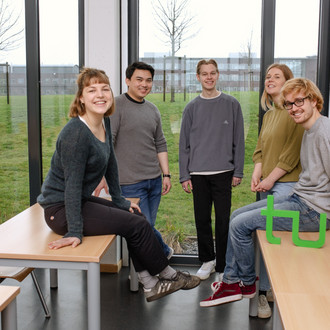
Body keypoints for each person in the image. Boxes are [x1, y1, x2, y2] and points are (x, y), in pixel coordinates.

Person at [37, 67, 200, 303]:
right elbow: (72, 186)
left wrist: (120, 199)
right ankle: (167, 276)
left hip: (76, 201)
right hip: (59, 210)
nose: (100, 94)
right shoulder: (75, 134)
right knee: (137, 226)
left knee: (135, 214)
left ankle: (151, 282)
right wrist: (74, 231)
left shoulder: (104, 123)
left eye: (105, 89)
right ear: (81, 97)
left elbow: (111, 162)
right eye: (92, 90)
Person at [200, 78, 330, 307]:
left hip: (313, 211)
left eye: (299, 101)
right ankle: (231, 281)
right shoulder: (309, 130)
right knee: (236, 216)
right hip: (300, 199)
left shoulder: (324, 131)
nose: (294, 108)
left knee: (240, 225)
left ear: (314, 100)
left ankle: (245, 283)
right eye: (289, 104)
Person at [94, 62, 173, 259]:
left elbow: (160, 143)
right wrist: (103, 174)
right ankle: (162, 256)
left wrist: (166, 174)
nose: (144, 84)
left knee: (148, 226)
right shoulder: (116, 106)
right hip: (129, 183)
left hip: (154, 181)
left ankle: (147, 276)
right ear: (128, 80)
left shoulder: (153, 109)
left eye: (148, 80)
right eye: (139, 79)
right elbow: (107, 143)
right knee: (143, 228)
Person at [179, 59, 245, 281]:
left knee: (224, 220)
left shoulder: (232, 104)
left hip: (224, 172)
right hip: (198, 173)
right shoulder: (191, 108)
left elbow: (239, 140)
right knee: (202, 219)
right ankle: (207, 260)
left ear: (218, 75)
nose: (209, 77)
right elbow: (183, 144)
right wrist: (184, 175)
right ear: (198, 77)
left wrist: (238, 171)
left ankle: (223, 264)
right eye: (204, 74)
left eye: (212, 73)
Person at [251, 63, 304, 318]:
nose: (269, 80)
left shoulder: (294, 112)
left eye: (276, 76)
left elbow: (291, 155)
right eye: (267, 77)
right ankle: (263, 294)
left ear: (287, 82)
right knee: (263, 239)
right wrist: (256, 173)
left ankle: (274, 291)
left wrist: (270, 180)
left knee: (278, 242)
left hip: (286, 186)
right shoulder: (269, 115)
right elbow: (260, 150)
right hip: (266, 184)